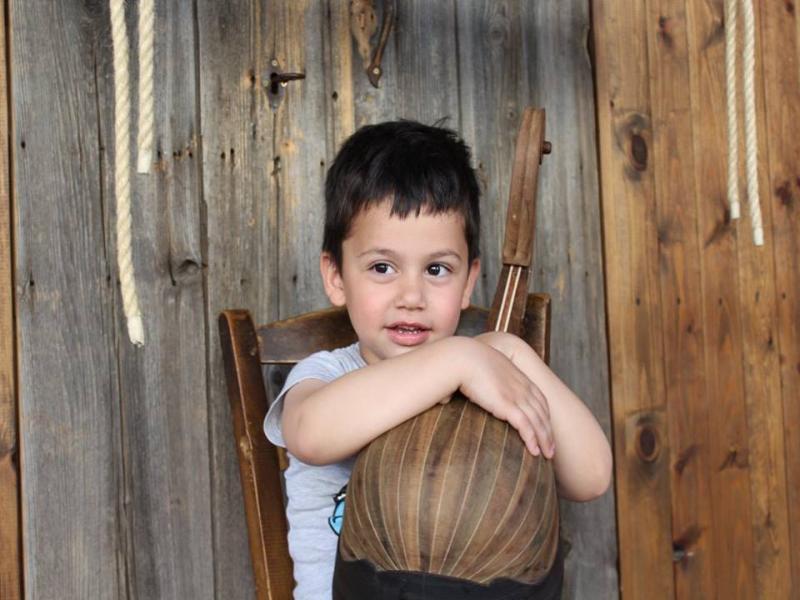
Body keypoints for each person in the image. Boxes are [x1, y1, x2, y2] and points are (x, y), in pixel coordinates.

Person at [264, 120, 612, 599]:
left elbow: (590, 477)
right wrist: (456, 360)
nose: (412, 296)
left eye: (436, 269)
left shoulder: (490, 372)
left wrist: (509, 352)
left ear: (468, 281)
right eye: (382, 267)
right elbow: (308, 435)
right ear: (336, 276)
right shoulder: (326, 375)